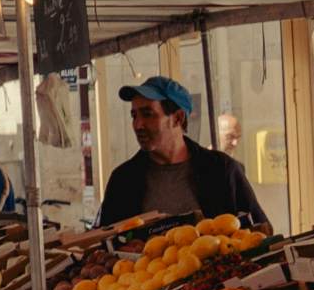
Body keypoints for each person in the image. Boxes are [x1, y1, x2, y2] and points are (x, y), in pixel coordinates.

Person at [98, 75, 271, 230]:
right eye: (134, 116)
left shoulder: (221, 170)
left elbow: (261, 231)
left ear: (178, 118)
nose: (138, 125)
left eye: (148, 114)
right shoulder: (123, 181)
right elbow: (102, 246)